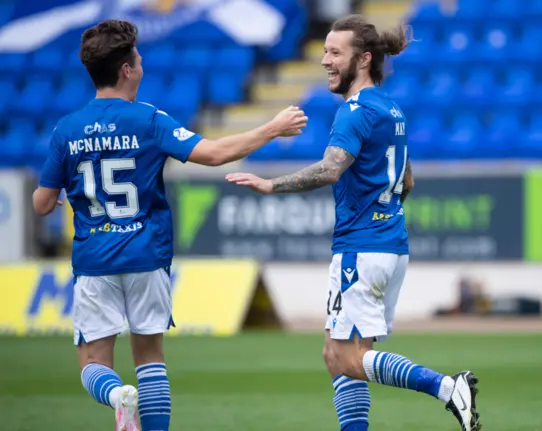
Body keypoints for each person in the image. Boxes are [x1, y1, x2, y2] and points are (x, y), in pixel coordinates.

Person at [32, 19, 307, 431]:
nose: (141, 66)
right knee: (150, 356)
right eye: (138, 60)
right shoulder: (148, 120)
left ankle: (116, 396)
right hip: (146, 253)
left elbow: (41, 204)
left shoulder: (66, 130)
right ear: (126, 69)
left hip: (94, 259)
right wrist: (272, 128)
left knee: (92, 363)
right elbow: (213, 154)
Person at [226, 14, 480, 431]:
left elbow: (330, 170)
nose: (325, 60)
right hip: (389, 244)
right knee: (338, 356)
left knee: (346, 357)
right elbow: (408, 180)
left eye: (334, 52)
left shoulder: (355, 111)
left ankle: (446, 387)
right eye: (324, 50)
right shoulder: (391, 108)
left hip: (362, 249)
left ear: (362, 60)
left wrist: (271, 186)